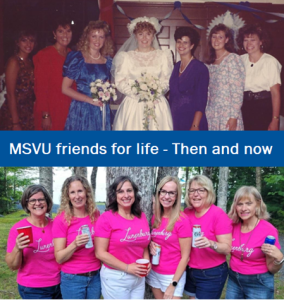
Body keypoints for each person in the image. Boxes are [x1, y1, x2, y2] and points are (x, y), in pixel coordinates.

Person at [112, 16, 173, 130]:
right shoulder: (126, 57)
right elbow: (120, 82)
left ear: (153, 36)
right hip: (133, 103)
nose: (144, 38)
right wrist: (138, 94)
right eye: (141, 34)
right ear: (135, 36)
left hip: (157, 103)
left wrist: (154, 94)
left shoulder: (164, 56)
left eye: (148, 34)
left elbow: (168, 80)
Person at [95, 176, 151, 300]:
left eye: (129, 190)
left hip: (138, 278)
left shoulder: (141, 216)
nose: (126, 195)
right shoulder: (106, 218)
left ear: (135, 193)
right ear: (114, 196)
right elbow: (100, 253)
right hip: (116, 277)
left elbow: (144, 245)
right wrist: (127, 267)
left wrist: (147, 262)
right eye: (120, 191)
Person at [226, 186, 284, 300]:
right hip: (234, 280)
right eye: (240, 204)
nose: (243, 208)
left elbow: (272, 269)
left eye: (248, 203)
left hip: (258, 282)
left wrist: (279, 259)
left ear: (257, 204)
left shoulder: (268, 231)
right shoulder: (232, 226)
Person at [6, 185, 62, 299]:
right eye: (32, 200)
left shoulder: (56, 225)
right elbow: (12, 266)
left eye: (41, 199)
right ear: (26, 204)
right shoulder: (19, 229)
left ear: (47, 201)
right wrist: (17, 248)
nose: (37, 203)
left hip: (60, 284)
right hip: (33, 288)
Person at [183, 175, 232, 300]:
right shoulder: (187, 213)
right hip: (190, 269)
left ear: (208, 192)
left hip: (211, 272)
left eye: (201, 190)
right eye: (192, 190)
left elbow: (227, 248)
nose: (196, 194)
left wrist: (211, 243)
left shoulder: (218, 215)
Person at [53, 175, 101, 300]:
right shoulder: (61, 220)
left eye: (80, 191)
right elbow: (59, 258)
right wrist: (74, 244)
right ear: (67, 196)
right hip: (73, 278)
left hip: (95, 276)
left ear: (86, 192)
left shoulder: (95, 214)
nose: (77, 196)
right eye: (72, 192)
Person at [62, 20, 114, 130]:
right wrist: (89, 100)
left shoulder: (108, 61)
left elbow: (109, 86)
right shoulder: (77, 58)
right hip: (82, 109)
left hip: (101, 109)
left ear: (105, 39)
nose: (97, 40)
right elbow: (65, 88)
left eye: (101, 37)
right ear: (87, 37)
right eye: (94, 36)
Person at [147, 176, 191, 300]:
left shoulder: (182, 221)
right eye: (164, 192)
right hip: (154, 272)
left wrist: (173, 284)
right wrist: (150, 244)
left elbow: (185, 257)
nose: (167, 196)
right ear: (159, 193)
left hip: (172, 275)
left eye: (171, 193)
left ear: (177, 196)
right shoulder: (155, 217)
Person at [237, 23, 282, 130]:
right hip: (244, 107)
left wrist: (275, 120)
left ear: (261, 41)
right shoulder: (239, 60)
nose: (248, 43)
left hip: (264, 107)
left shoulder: (270, 61)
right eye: (245, 40)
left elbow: (275, 93)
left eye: (252, 40)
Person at [33, 17, 73, 130]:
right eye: (61, 31)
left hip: (69, 107)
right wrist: (45, 115)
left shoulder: (73, 55)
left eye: (68, 31)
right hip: (51, 107)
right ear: (54, 34)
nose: (65, 35)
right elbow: (40, 88)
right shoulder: (44, 55)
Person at [206, 24, 245, 131]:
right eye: (214, 36)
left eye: (220, 37)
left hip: (227, 114)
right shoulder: (210, 63)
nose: (216, 40)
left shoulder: (232, 59)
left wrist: (233, 117)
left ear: (227, 39)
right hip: (212, 113)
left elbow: (237, 91)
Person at [169, 27, 209, 131]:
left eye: (185, 42)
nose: (181, 45)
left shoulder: (200, 68)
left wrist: (195, 125)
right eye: (179, 42)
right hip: (175, 117)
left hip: (192, 118)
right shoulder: (176, 66)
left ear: (192, 45)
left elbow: (201, 100)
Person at [0, 28, 36, 130]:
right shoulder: (14, 62)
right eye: (24, 40)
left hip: (28, 111)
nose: (28, 44)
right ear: (17, 43)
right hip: (14, 112)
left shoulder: (30, 62)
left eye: (31, 41)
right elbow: (11, 94)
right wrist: (15, 123)